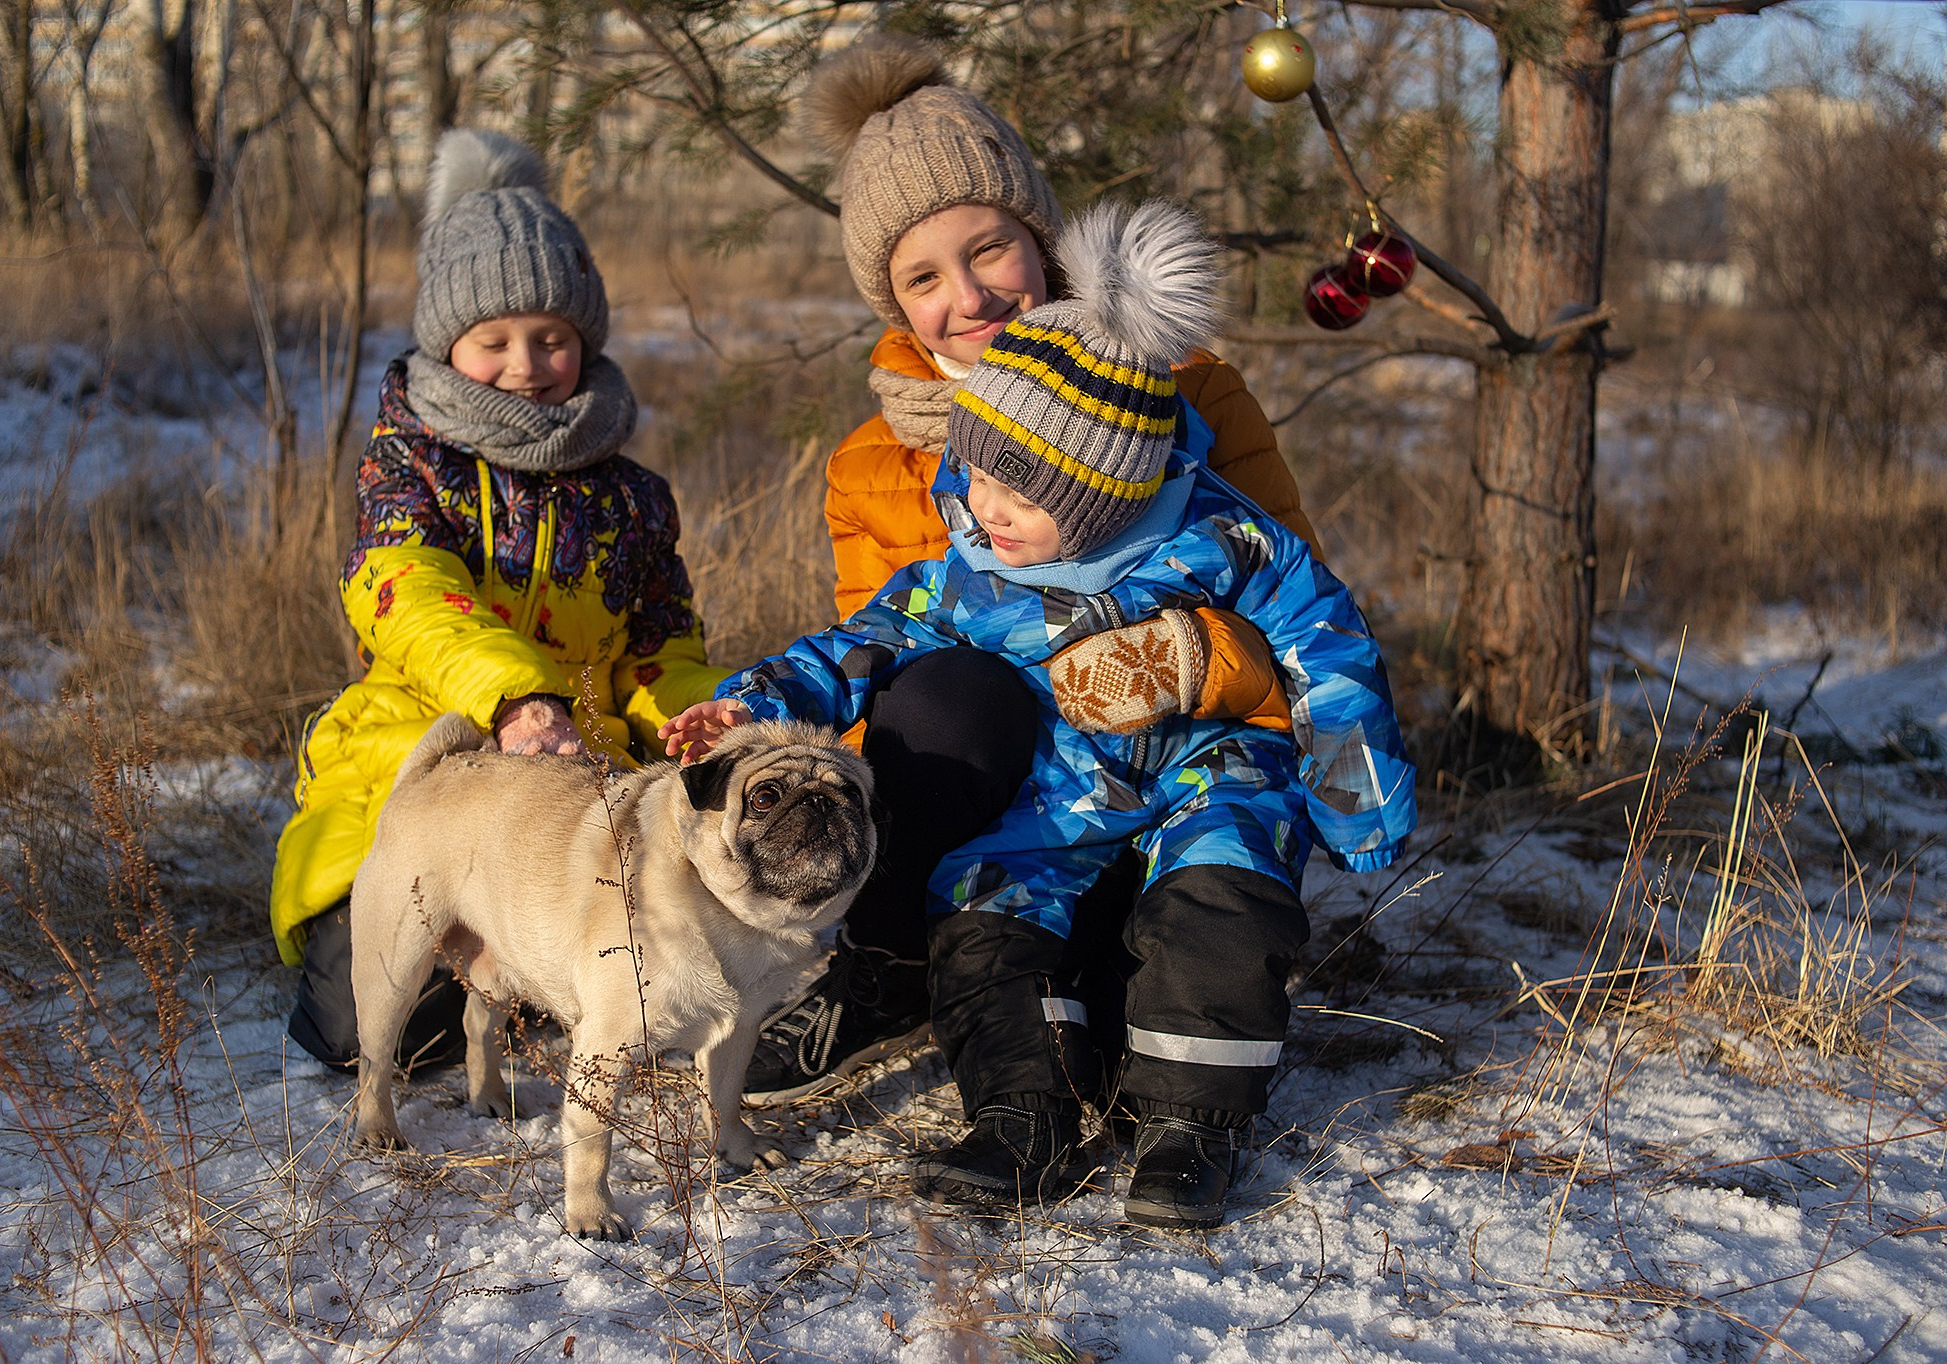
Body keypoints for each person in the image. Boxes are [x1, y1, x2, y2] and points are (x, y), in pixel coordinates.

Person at [664, 200, 1418, 1230]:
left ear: (1106, 496)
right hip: (1058, 792)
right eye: (976, 473)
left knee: (1217, 912)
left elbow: (1326, 650)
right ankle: (1020, 1115)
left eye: (1020, 492)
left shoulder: (1226, 540)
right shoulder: (976, 559)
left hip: (1211, 775)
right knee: (978, 909)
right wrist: (754, 704)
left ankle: (1189, 1127)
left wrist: (1355, 799)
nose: (984, 507)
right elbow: (858, 643)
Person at [740, 33, 1329, 1102]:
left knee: (1112, 1037)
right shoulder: (870, 461)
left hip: (1160, 761)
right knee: (941, 688)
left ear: (1038, 236)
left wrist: (1197, 658)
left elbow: (1292, 591)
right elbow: (882, 675)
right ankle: (884, 965)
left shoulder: (1184, 389)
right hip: (991, 789)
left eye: (988, 249)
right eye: (921, 275)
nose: (966, 295)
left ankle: (1127, 948)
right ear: (890, 301)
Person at [268, 128, 733, 1070]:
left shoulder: (631, 493)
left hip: (577, 782)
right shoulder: (408, 463)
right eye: (495, 340)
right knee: (373, 1037)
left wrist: (698, 715)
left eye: (551, 338)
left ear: (584, 340)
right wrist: (516, 699)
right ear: (448, 343)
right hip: (424, 760)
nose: (525, 363)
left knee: (674, 983)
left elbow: (660, 643)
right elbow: (409, 594)